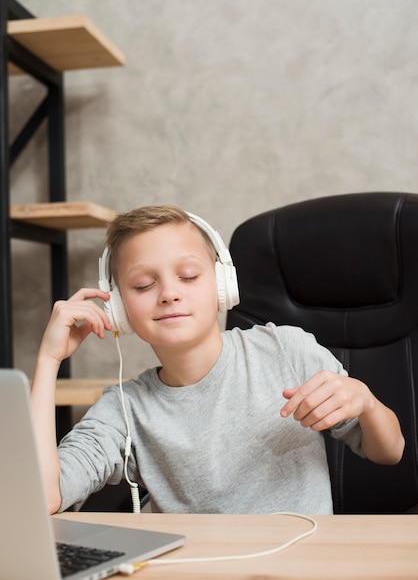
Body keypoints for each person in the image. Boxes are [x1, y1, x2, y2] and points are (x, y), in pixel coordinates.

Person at [31, 205, 405, 516]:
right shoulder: (125, 410)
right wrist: (49, 360)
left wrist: (367, 403)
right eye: (144, 285)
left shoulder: (286, 350)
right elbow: (43, 497)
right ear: (119, 309)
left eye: (189, 276)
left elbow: (390, 452)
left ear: (223, 285)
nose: (169, 294)